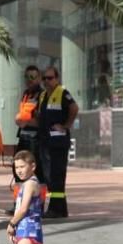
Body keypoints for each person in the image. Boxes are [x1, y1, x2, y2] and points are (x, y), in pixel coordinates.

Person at [36, 66, 78, 218]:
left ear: (57, 78)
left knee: (57, 175)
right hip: (45, 141)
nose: (47, 81)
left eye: (50, 78)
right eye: (45, 78)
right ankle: (58, 208)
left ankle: (57, 209)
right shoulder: (42, 95)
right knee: (49, 176)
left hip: (58, 142)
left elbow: (74, 108)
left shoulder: (62, 93)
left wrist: (66, 125)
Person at [13, 66, 44, 212]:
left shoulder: (42, 94)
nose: (29, 80)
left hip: (35, 139)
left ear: (38, 78)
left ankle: (39, 205)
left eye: (33, 77)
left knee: (36, 172)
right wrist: (20, 120)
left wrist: (24, 121)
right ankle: (17, 204)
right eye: (27, 77)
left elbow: (42, 120)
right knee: (18, 170)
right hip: (24, 137)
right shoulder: (26, 94)